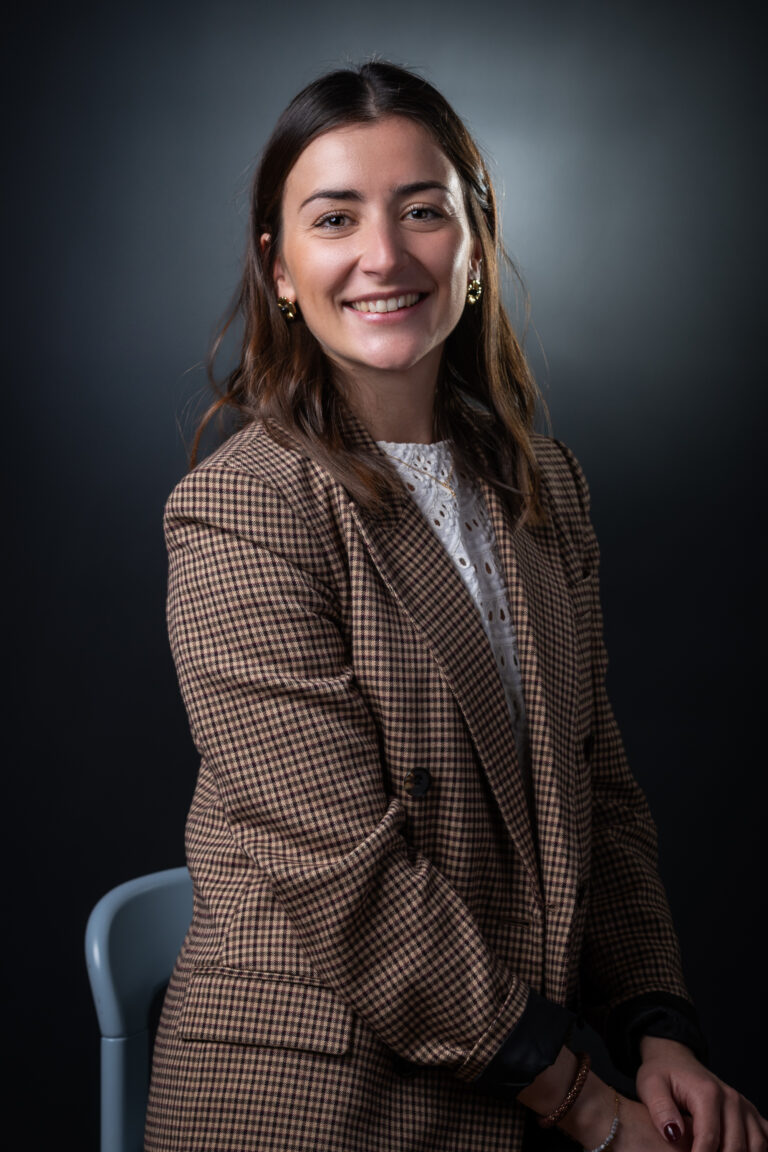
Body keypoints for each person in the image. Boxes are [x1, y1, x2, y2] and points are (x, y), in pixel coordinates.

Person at [145, 60, 766, 1152]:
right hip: (318, 1103)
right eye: (335, 219)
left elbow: (598, 795)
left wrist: (658, 1032)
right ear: (280, 268)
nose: (384, 256)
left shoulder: (544, 487)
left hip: (517, 1076)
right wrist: (590, 1106)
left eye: (423, 211)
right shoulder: (242, 507)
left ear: (474, 245)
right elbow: (346, 873)